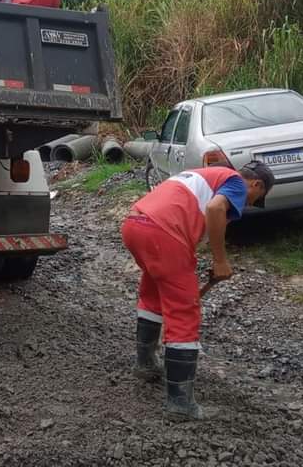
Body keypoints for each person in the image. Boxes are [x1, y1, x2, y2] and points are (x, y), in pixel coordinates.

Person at [121, 160, 275, 420]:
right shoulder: (235, 181)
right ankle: (180, 404)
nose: (247, 204)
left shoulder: (205, 175)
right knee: (183, 312)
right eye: (255, 198)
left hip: (135, 223)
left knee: (152, 293)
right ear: (256, 184)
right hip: (163, 232)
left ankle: (145, 363)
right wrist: (220, 260)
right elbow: (215, 209)